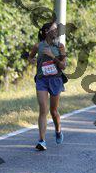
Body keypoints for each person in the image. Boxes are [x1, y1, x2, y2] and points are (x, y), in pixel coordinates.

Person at [28, 22, 67, 151]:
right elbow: (30, 57)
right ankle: (42, 140)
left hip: (55, 80)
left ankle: (58, 130)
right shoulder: (38, 46)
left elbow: (63, 66)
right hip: (42, 80)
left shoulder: (60, 46)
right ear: (46, 32)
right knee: (43, 110)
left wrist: (52, 56)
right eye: (54, 29)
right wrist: (32, 60)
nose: (56, 31)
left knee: (53, 111)